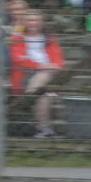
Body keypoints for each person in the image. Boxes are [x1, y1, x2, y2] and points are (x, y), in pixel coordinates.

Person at [8, 10, 63, 138]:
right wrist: (40, 65)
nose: (34, 23)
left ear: (42, 22)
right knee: (45, 96)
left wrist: (52, 67)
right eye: (30, 20)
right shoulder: (18, 37)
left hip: (49, 73)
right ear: (24, 23)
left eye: (37, 20)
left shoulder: (49, 38)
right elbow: (18, 58)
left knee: (44, 76)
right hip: (25, 74)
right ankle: (44, 129)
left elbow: (57, 58)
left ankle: (29, 97)